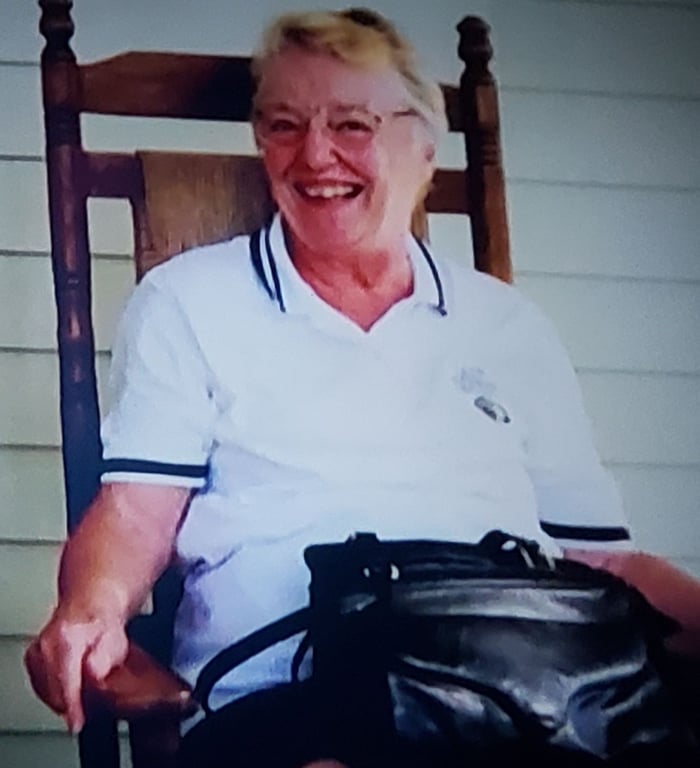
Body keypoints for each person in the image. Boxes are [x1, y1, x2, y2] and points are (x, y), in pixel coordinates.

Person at [25, 7, 700, 768]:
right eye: (283, 125)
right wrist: (91, 609)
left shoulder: (507, 324)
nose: (315, 155)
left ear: (423, 147)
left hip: (524, 694)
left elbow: (602, 561)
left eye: (351, 124)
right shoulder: (191, 302)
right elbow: (136, 511)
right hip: (290, 695)